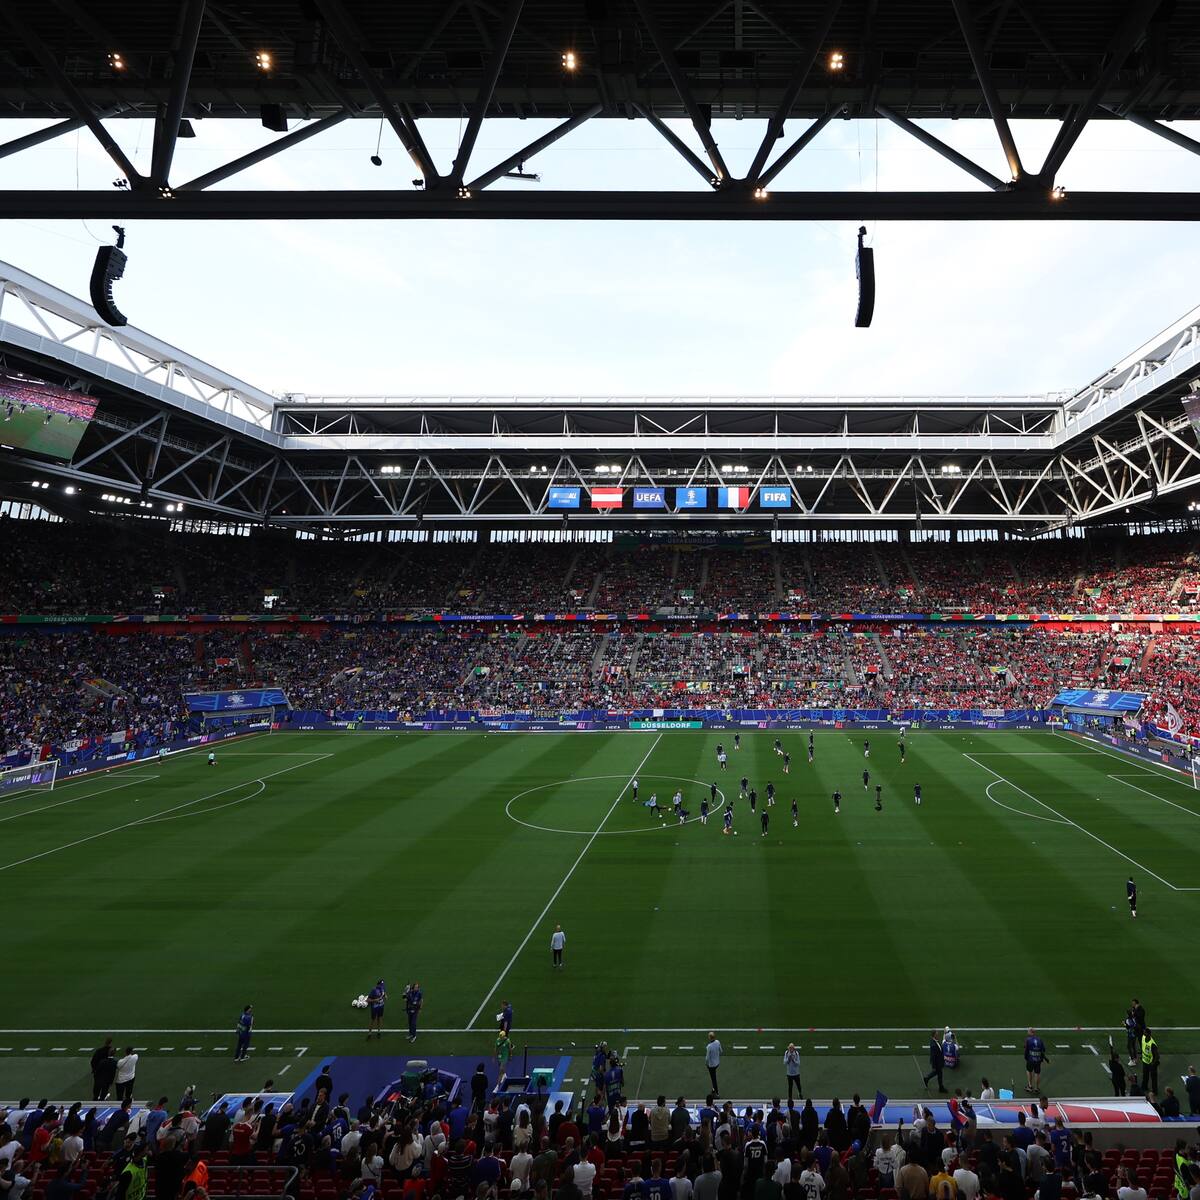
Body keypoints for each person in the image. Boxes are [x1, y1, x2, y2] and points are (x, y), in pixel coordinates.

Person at [1140, 1027, 1160, 1094]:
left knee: (1153, 1078)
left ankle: (1155, 1091)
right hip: (1145, 1061)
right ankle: (1144, 1087)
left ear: (1148, 1034)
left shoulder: (1152, 1044)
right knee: (1145, 1075)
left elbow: (1157, 1056)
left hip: (1151, 1063)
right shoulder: (1143, 1037)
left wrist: (1153, 1063)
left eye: (1145, 1032)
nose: (1143, 1032)